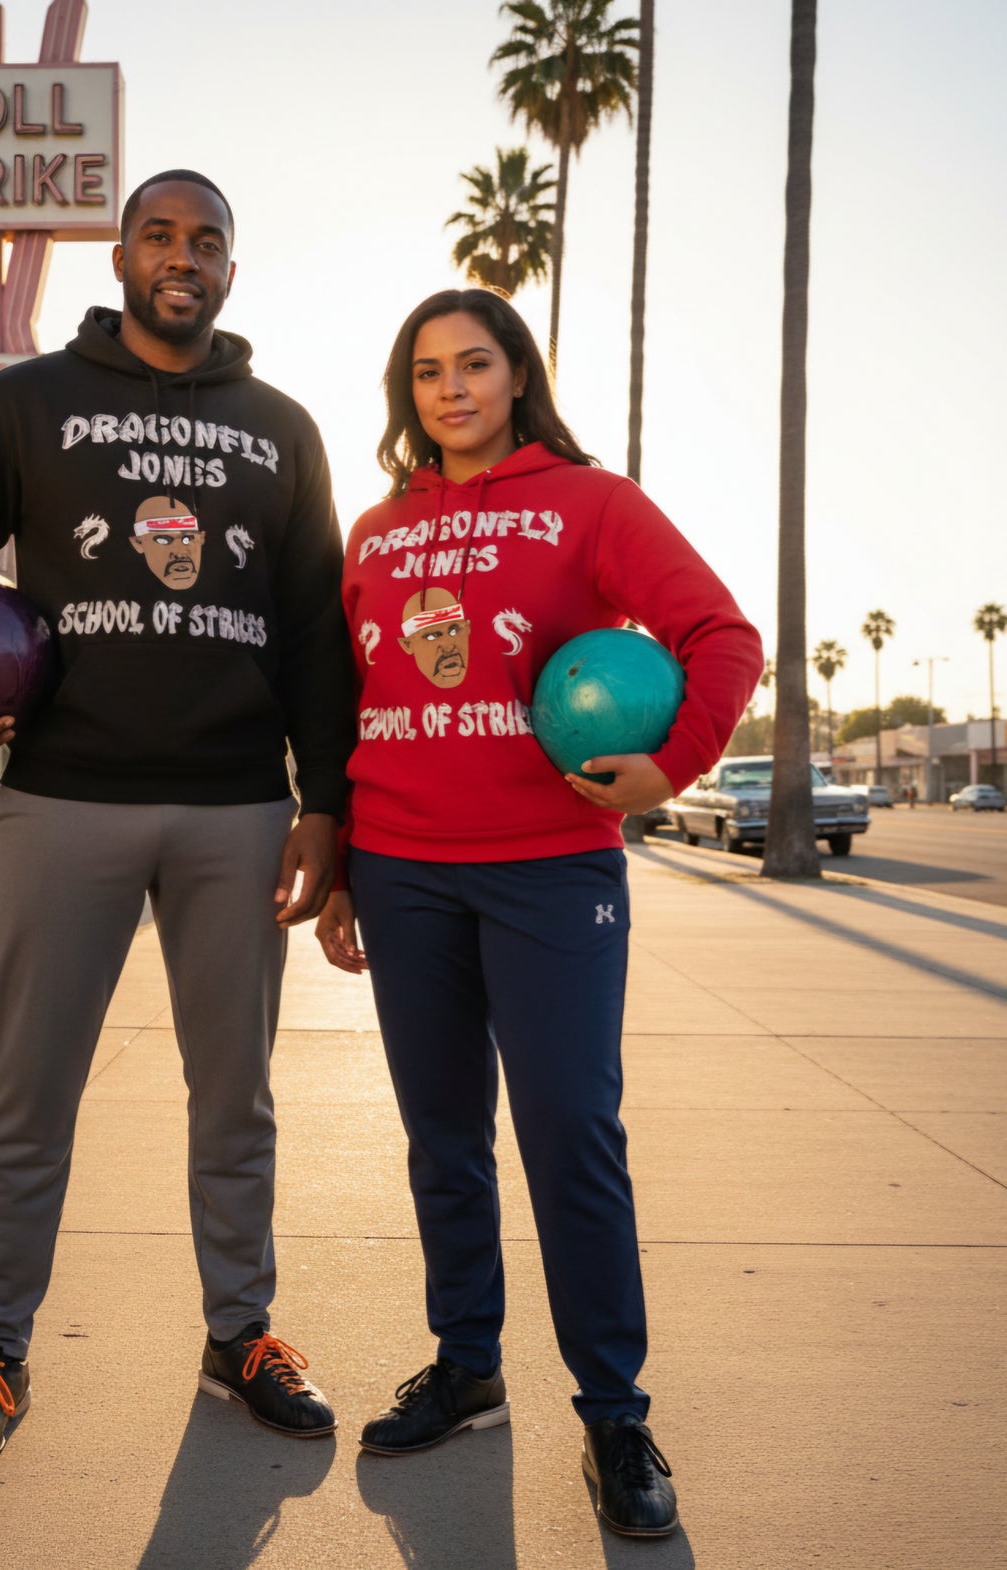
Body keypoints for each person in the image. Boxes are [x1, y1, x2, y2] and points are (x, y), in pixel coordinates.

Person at [0, 171, 355, 1468]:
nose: (180, 257)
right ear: (121, 254)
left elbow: (312, 627)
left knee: (234, 1096)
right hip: (62, 798)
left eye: (206, 242)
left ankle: (239, 1331)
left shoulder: (284, 429)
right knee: (27, 1092)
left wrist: (328, 805)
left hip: (237, 805)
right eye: (158, 234)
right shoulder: (28, 402)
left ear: (230, 274)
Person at [315, 289, 763, 1537]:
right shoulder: (375, 528)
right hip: (402, 867)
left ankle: (613, 1411)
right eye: (424, 372)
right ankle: (466, 1364)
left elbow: (720, 632)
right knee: (441, 1136)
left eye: (473, 363)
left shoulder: (588, 501)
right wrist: (348, 864)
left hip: (549, 866)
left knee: (571, 1132)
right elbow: (360, 706)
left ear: (517, 373)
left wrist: (670, 764)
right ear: (404, 393)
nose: (449, 388)